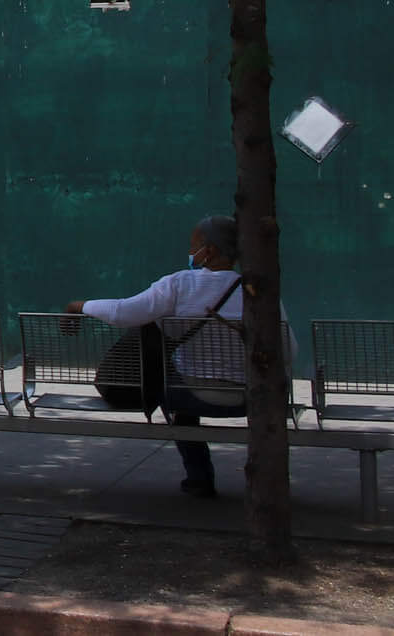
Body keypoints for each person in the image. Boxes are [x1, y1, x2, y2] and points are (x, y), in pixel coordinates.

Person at [64, 214, 281, 499]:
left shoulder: (180, 284)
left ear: (210, 251)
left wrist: (78, 306)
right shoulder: (259, 292)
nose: (191, 253)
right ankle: (270, 485)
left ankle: (199, 476)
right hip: (252, 396)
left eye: (194, 246)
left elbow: (123, 312)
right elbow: (289, 351)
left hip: (189, 395)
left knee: (167, 370)